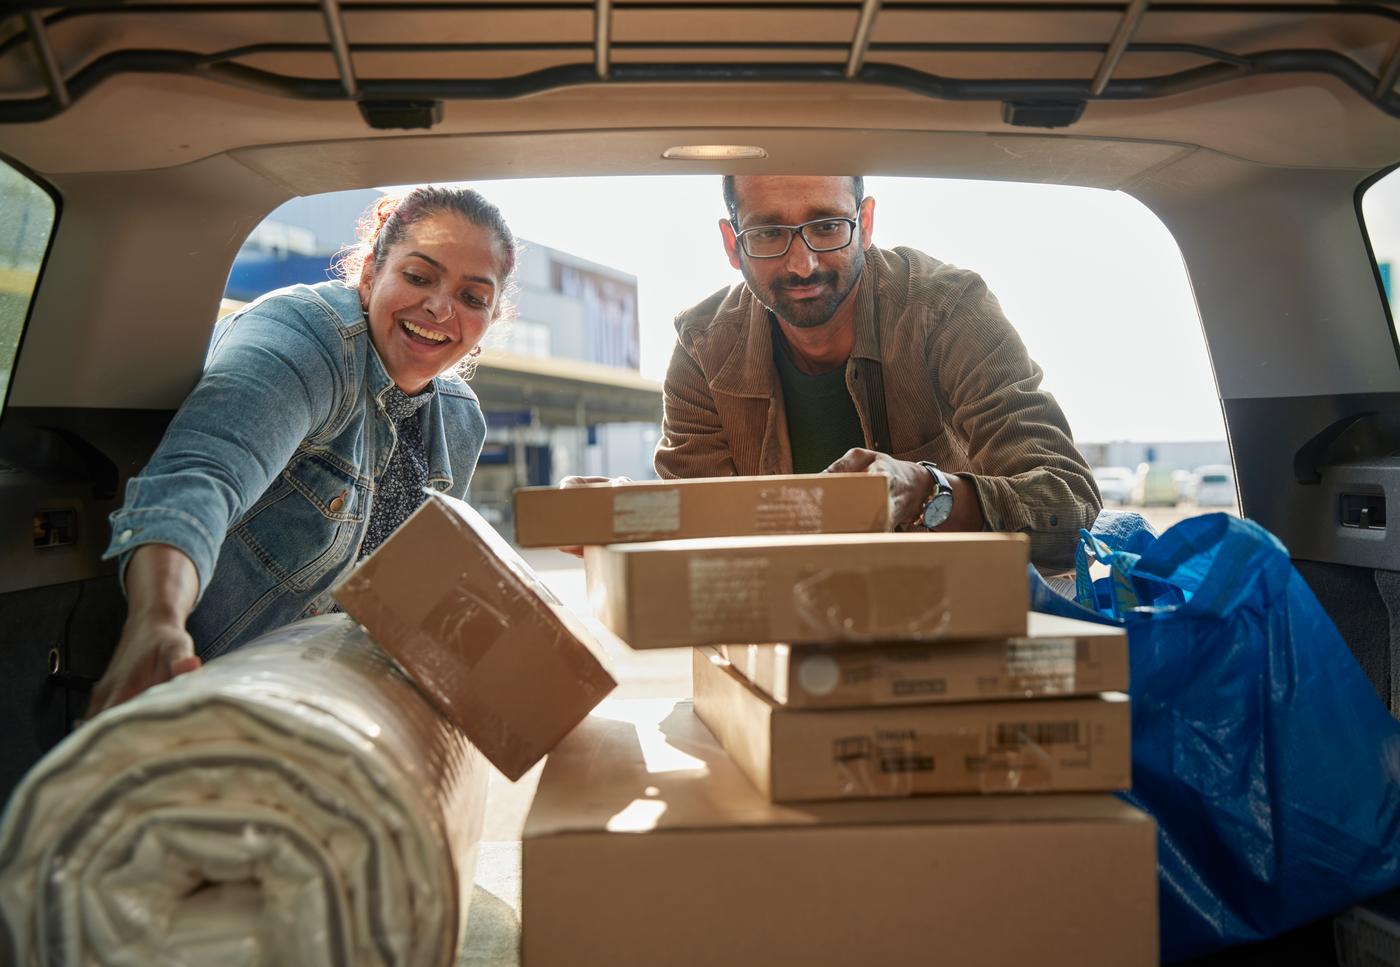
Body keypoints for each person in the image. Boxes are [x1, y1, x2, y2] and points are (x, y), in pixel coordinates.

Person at [88, 187, 516, 713]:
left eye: (473, 297)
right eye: (419, 276)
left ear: (490, 318)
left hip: (345, 699)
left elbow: (424, 594)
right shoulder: (306, 340)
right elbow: (202, 476)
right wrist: (156, 621)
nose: (440, 305)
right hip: (219, 692)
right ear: (369, 274)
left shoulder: (459, 417)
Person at [653, 175, 1100, 568]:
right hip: (777, 629)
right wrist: (619, 511)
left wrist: (929, 490)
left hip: (949, 614)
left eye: (827, 226)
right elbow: (695, 534)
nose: (801, 264)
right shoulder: (702, 346)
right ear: (733, 244)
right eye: (768, 233)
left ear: (865, 224)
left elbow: (1069, 507)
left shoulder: (948, 309)